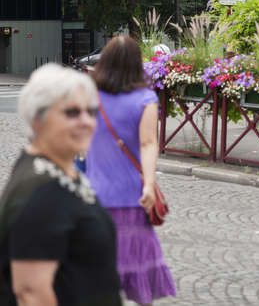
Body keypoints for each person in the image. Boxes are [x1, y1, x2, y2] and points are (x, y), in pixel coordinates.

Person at [0, 64, 122, 305]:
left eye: (91, 111)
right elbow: (31, 292)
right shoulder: (39, 191)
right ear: (38, 120)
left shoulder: (59, 170)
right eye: (72, 113)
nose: (86, 121)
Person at [86, 36, 176, 305]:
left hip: (94, 197)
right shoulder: (145, 99)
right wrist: (148, 184)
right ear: (137, 64)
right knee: (138, 277)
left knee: (96, 275)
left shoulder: (90, 98)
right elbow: (149, 143)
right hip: (130, 199)